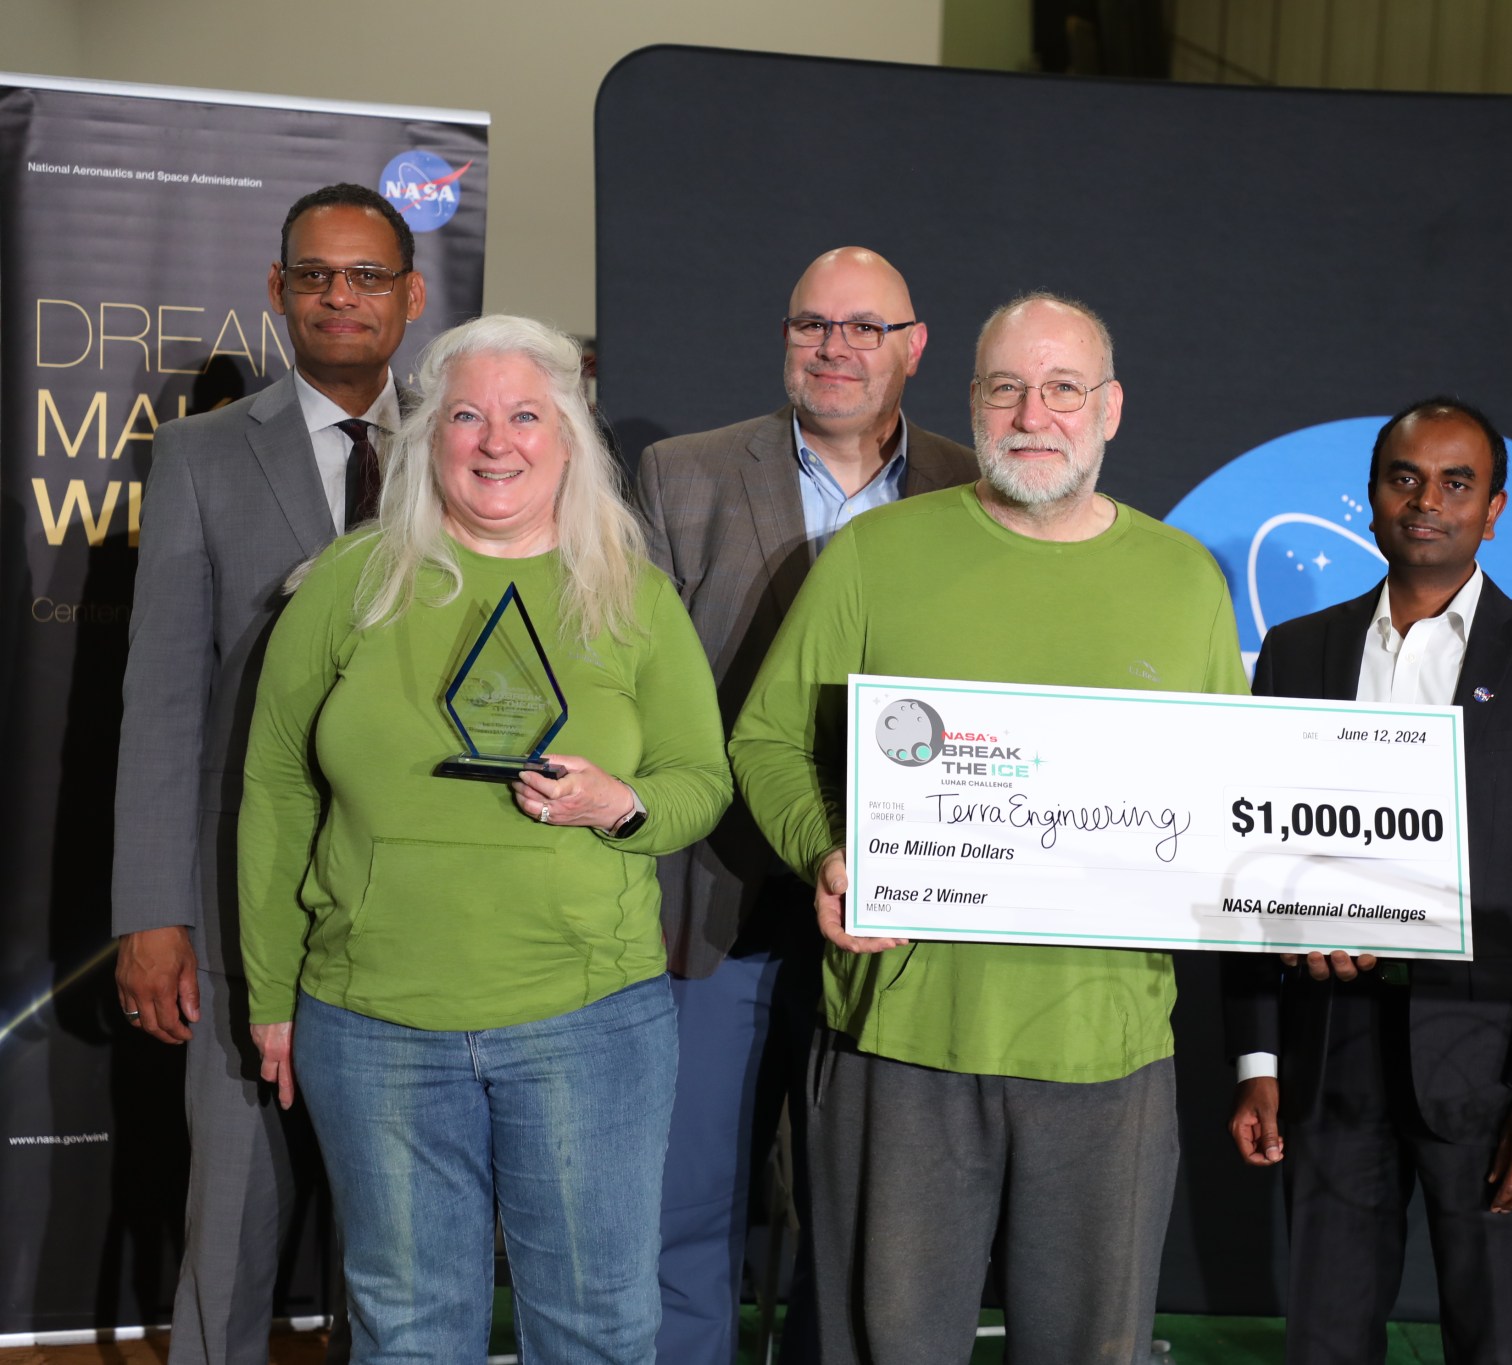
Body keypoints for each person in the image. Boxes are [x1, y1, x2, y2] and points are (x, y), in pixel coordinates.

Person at [728, 292, 1246, 1363]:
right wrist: (826, 852)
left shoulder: (1182, 580)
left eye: (1062, 388)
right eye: (1005, 388)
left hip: (1103, 1046)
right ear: (971, 402)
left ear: (1109, 409)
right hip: (903, 1032)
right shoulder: (875, 555)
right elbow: (767, 744)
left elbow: (1222, 803)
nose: (1032, 412)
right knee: (883, 1346)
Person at [235, 314, 733, 1362]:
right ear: (427, 440)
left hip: (585, 1027)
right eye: (465, 415)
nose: (493, 441)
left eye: (523, 415)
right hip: (369, 1026)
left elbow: (700, 783)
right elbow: (277, 789)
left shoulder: (628, 596)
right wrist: (274, 993)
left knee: (595, 1328)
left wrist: (621, 805)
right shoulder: (349, 584)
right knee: (407, 1329)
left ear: (567, 441)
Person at [1222, 398, 1512, 1365]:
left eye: (1456, 482)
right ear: (1370, 498)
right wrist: (1259, 1059)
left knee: (1494, 1340)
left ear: (1496, 508)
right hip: (1328, 1046)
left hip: (1485, 1057)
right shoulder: (1296, 651)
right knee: (1324, 1333)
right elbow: (1251, 858)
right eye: (1405, 478)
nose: (1426, 500)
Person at [634, 246, 975, 1363]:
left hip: (893, 909)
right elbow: (629, 680)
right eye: (811, 326)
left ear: (912, 347)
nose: (835, 347)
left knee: (864, 1222)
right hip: (712, 900)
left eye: (864, 327)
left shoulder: (971, 488)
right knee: (684, 1211)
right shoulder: (680, 475)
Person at [111, 181, 425, 1365]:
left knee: (400, 1229)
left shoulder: (465, 451)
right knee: (234, 1217)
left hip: (410, 894)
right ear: (279, 291)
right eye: (314, 274)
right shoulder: (199, 455)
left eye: (364, 275)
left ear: (410, 295)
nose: (339, 295)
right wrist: (152, 910)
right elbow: (160, 695)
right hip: (240, 883)